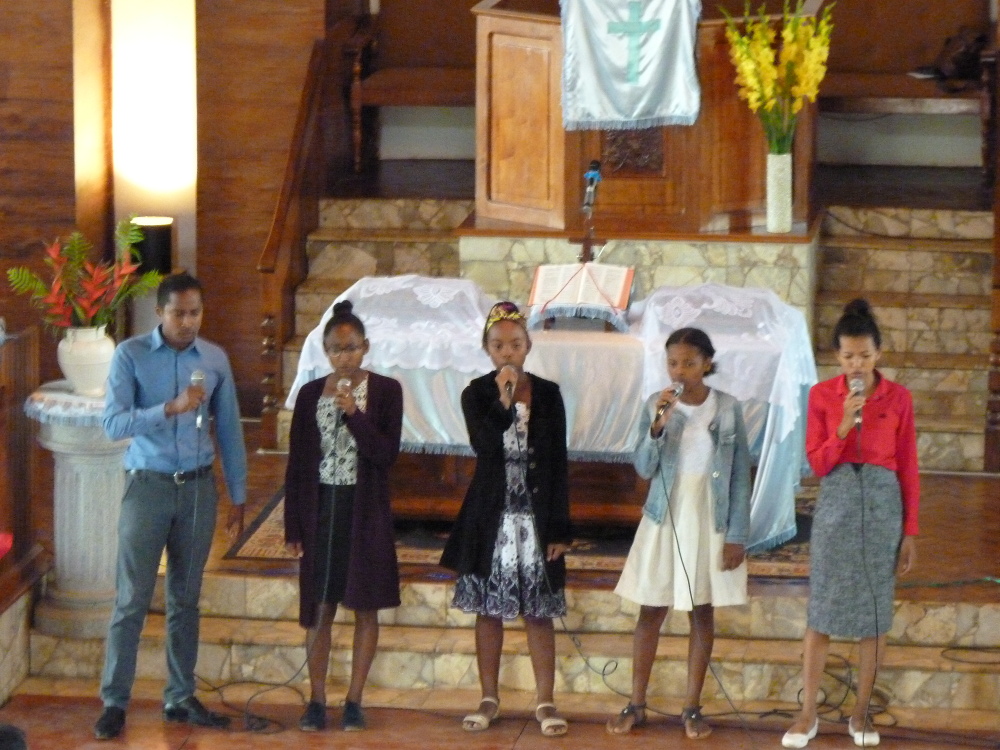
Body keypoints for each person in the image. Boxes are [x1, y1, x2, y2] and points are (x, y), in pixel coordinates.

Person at [95, 272, 247, 741]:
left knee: (185, 598)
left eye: (195, 312)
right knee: (132, 598)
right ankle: (114, 701)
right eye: (178, 313)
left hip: (198, 488)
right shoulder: (131, 355)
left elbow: (230, 429)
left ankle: (180, 696)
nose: (188, 321)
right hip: (149, 486)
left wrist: (238, 493)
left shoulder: (215, 359)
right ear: (159, 312)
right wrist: (169, 408)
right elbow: (113, 424)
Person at [782, 299, 918, 749]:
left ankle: (861, 713)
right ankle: (807, 714)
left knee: (874, 616)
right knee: (821, 610)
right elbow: (817, 464)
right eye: (847, 356)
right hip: (837, 504)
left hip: (883, 506)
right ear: (836, 357)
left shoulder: (899, 398)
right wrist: (842, 426)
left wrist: (910, 530)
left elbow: (909, 467)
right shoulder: (823, 395)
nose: (856, 364)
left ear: (879, 353)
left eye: (864, 355)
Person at [607, 327, 751, 740]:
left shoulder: (727, 408)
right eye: (673, 363)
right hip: (665, 517)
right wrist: (658, 426)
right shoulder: (657, 405)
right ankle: (636, 703)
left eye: (689, 363)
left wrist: (737, 535)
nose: (680, 371)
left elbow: (740, 475)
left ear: (707, 363)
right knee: (651, 609)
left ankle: (692, 707)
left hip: (709, 517)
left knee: (701, 610)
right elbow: (643, 468)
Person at [440, 301, 572, 737]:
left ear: (528, 345)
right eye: (498, 346)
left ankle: (545, 701)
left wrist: (559, 528)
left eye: (515, 344)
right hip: (491, 519)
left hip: (536, 519)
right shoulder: (476, 393)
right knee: (488, 610)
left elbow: (557, 462)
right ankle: (488, 697)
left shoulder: (549, 393)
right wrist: (503, 401)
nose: (508, 352)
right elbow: (483, 445)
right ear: (487, 349)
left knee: (538, 612)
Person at [284, 300, 403, 732]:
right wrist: (293, 524)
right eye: (336, 349)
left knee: (364, 605)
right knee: (320, 606)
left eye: (352, 348)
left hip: (364, 509)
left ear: (365, 347)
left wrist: (354, 414)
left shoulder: (386, 391)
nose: (344, 357)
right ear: (325, 351)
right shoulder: (309, 395)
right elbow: (298, 464)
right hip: (321, 508)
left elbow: (385, 454)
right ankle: (316, 700)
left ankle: (354, 700)